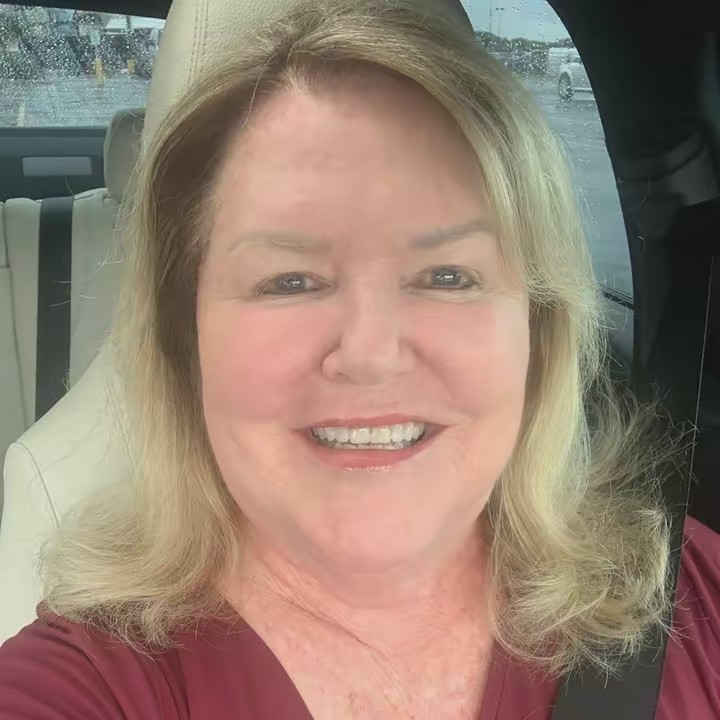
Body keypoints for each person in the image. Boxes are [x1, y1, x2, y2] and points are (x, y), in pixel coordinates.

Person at [1, 1, 718, 718]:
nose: (371, 357)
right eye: (289, 281)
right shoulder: (86, 685)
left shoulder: (686, 601)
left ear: (538, 330)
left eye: (447, 276)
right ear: (185, 342)